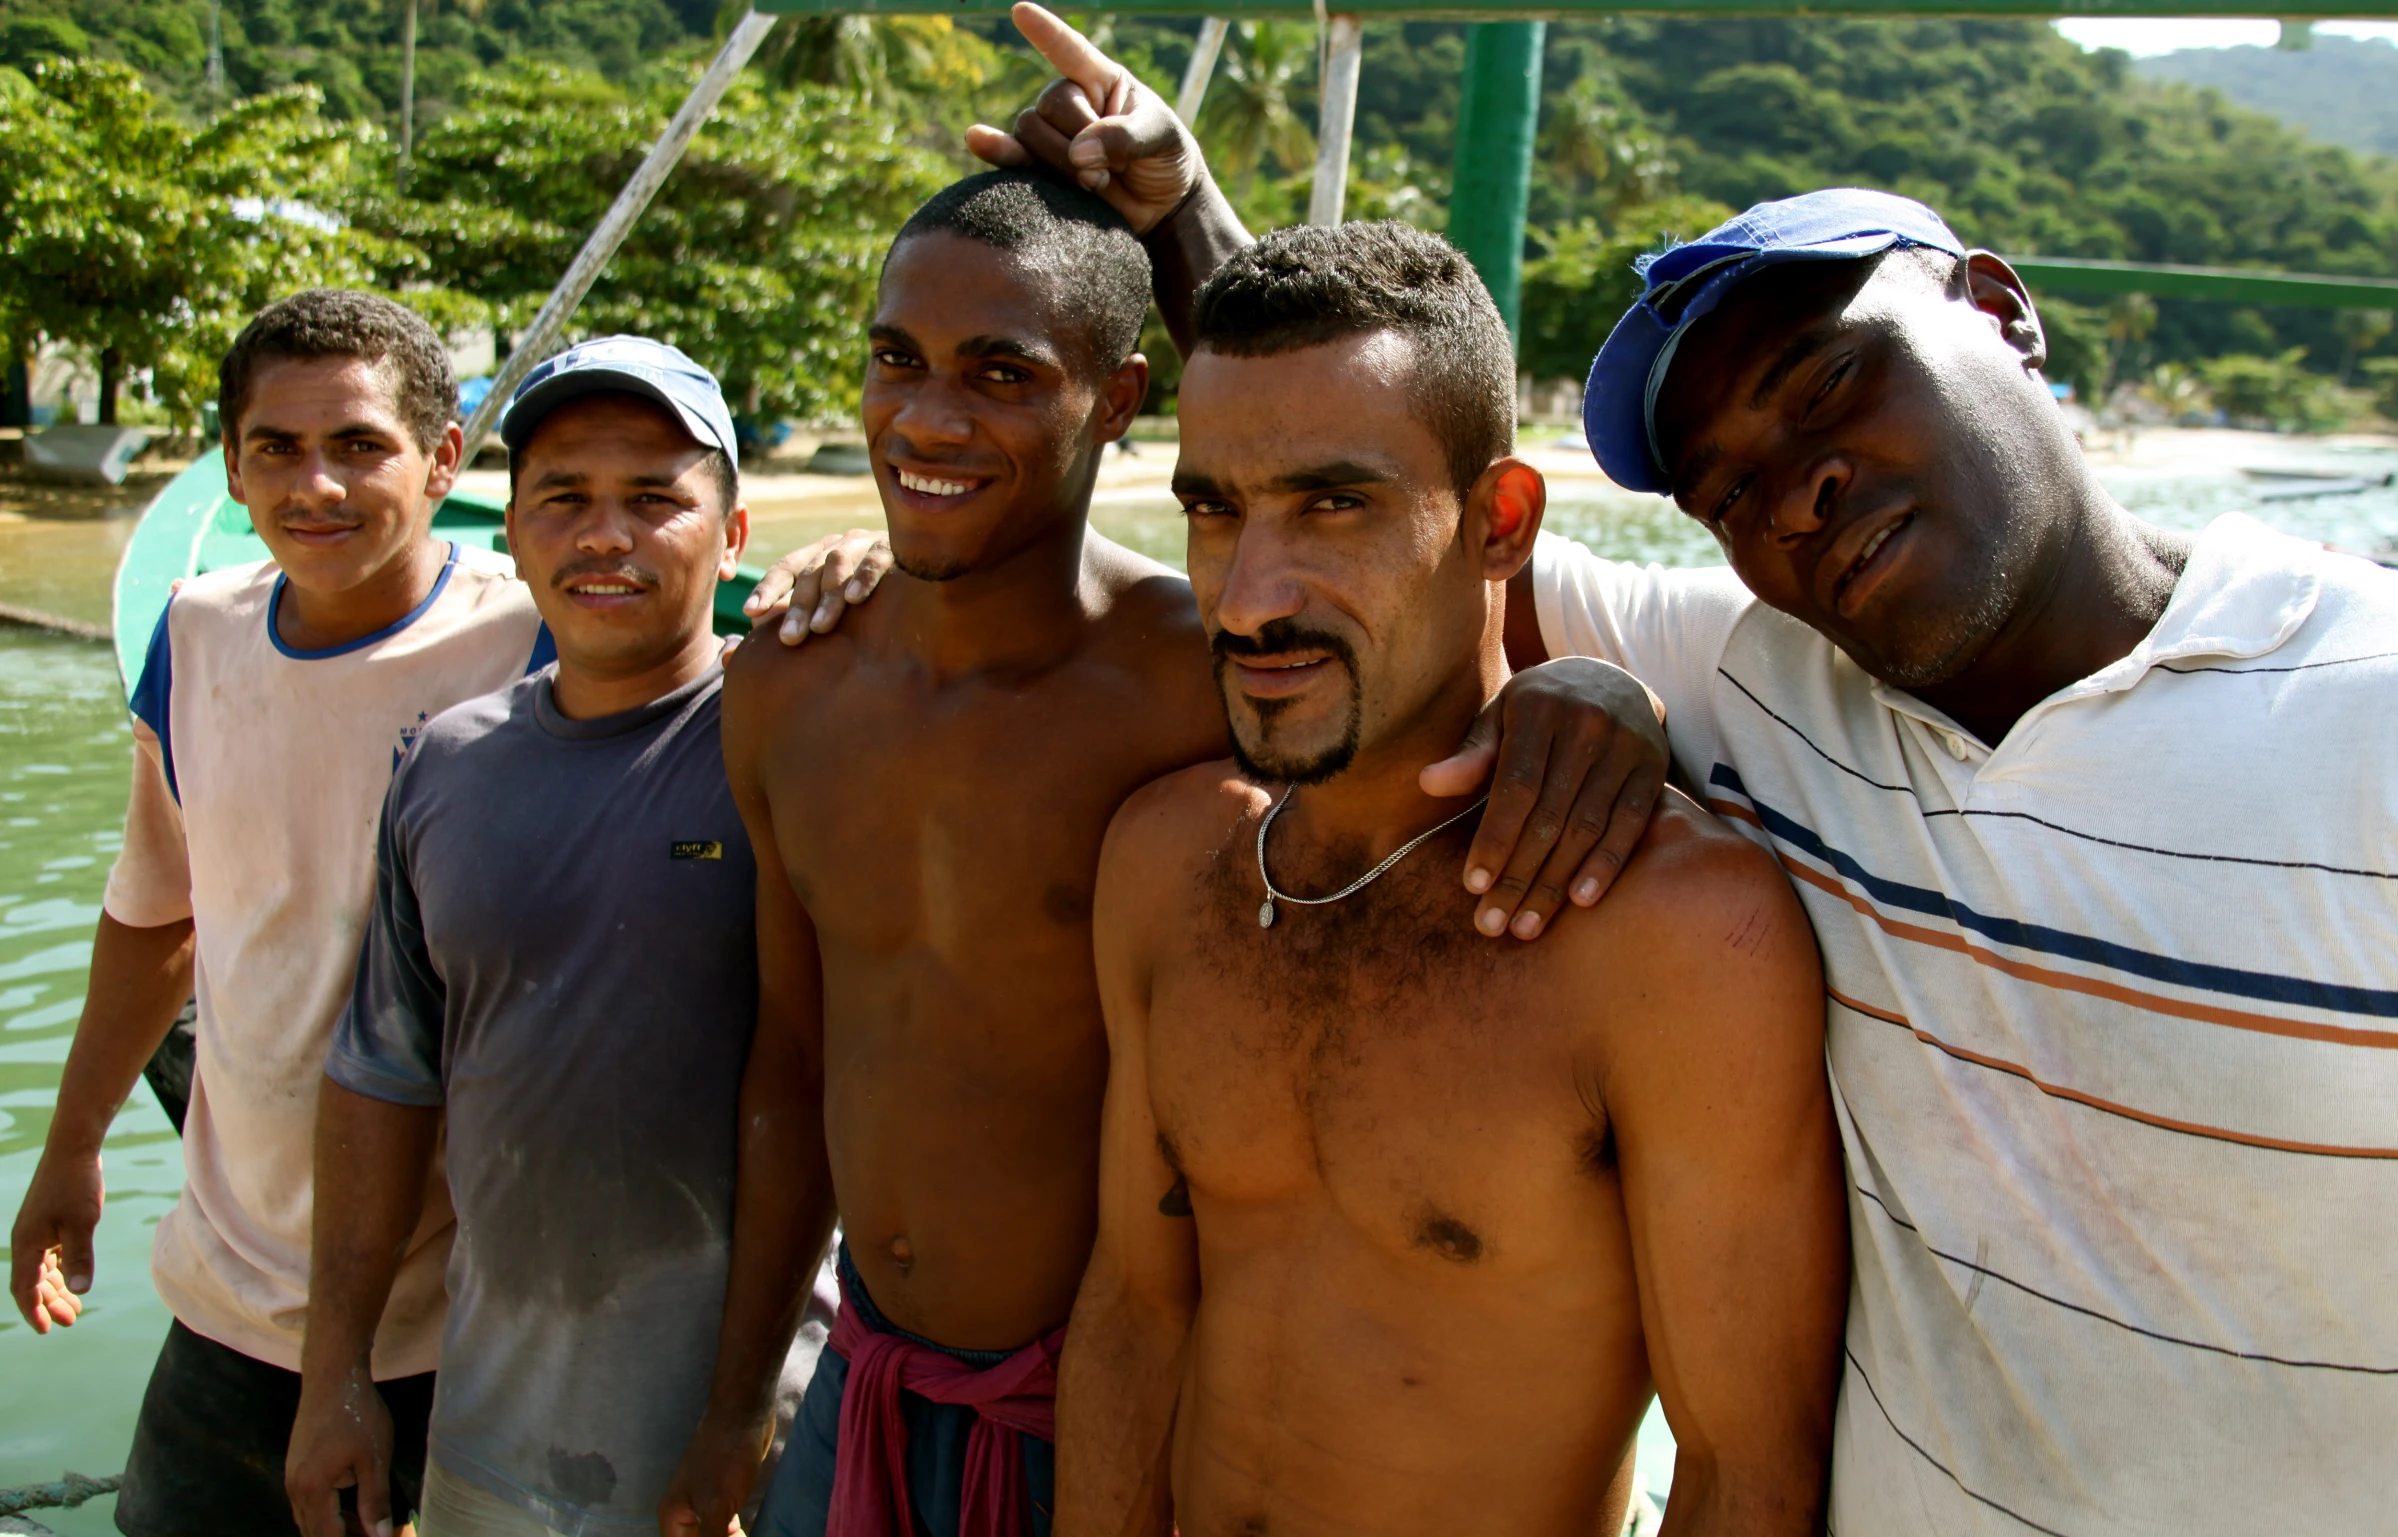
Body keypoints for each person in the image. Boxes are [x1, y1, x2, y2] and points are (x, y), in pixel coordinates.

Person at [975, 24, 2398, 1531]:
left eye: (1832, 380)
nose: (1794, 486)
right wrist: (1181, 203)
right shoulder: (1775, 672)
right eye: (1723, 487)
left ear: (1996, 310)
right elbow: (1370, 460)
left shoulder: (2360, 712)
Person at [663, 169, 1673, 1537]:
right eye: (895, 358)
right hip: (860, 1369)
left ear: (1120, 400)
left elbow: (1418, 642)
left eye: (999, 371)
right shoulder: (788, 682)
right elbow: (788, 1061)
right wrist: (739, 1402)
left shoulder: (1202, 681)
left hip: (1104, 1396)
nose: (931, 412)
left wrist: (1602, 694)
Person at [1061, 220, 1847, 1537]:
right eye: (1214, 510)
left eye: (1332, 504)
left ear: (1497, 524)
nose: (1249, 599)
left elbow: (1743, 1470)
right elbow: (1135, 1315)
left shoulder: (1668, 938)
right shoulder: (1164, 863)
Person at [8, 290, 545, 1536]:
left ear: (444, 458)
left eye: (360, 445)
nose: (318, 485)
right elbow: (159, 916)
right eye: (276, 449)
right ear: (233, 469)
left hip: (454, 1314)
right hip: (228, 1293)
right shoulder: (196, 634)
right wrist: (73, 1141)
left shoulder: (540, 643)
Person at [284, 339, 759, 1537]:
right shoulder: (444, 764)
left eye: (655, 500)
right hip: (491, 1437)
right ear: (514, 534)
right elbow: (381, 1079)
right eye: (563, 499)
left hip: (755, 1441)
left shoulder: (796, 741)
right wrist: (334, 1369)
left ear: (734, 533)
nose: (606, 536)